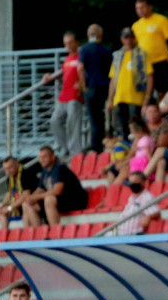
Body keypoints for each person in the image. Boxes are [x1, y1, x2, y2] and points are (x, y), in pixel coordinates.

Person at [21, 146, 88, 227]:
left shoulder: (59, 168)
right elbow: (39, 189)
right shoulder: (45, 171)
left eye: (45, 157)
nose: (42, 159)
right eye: (40, 157)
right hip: (60, 201)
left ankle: (55, 232)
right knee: (26, 204)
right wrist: (31, 198)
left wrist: (36, 197)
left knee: (49, 199)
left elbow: (57, 191)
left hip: (75, 200)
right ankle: (38, 234)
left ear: (53, 157)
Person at [108, 28, 152, 138]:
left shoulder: (142, 54)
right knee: (122, 128)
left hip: (136, 97)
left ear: (134, 38)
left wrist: (147, 97)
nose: (128, 40)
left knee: (136, 128)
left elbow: (150, 75)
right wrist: (110, 99)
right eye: (125, 37)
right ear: (122, 39)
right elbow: (113, 79)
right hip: (120, 97)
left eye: (130, 37)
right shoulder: (118, 56)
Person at [133, 0, 168, 97]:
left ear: (150, 7)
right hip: (144, 63)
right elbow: (134, 46)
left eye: (142, 7)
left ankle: (164, 111)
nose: (140, 10)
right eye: (137, 8)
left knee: (163, 91)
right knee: (145, 92)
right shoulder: (136, 26)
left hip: (160, 61)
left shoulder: (161, 20)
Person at [80, 24, 114, 153]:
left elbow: (80, 67)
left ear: (89, 35)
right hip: (105, 86)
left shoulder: (84, 49)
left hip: (91, 86)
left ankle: (96, 145)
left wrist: (83, 86)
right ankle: (106, 140)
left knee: (94, 117)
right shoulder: (106, 49)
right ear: (100, 35)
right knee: (104, 116)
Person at [0, 156, 40, 230]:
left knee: (25, 205)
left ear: (17, 164)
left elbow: (25, 195)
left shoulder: (25, 173)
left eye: (10, 167)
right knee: (1, 211)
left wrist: (9, 208)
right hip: (19, 204)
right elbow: (9, 194)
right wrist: (2, 204)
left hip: (33, 204)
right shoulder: (10, 177)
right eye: (5, 169)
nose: (8, 171)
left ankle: (37, 234)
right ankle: (4, 237)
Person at [117, 171, 162, 235]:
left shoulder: (146, 197)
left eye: (135, 181)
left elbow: (157, 213)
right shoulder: (132, 197)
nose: (133, 184)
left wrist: (149, 217)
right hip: (121, 233)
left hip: (134, 234)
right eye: (131, 182)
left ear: (143, 182)